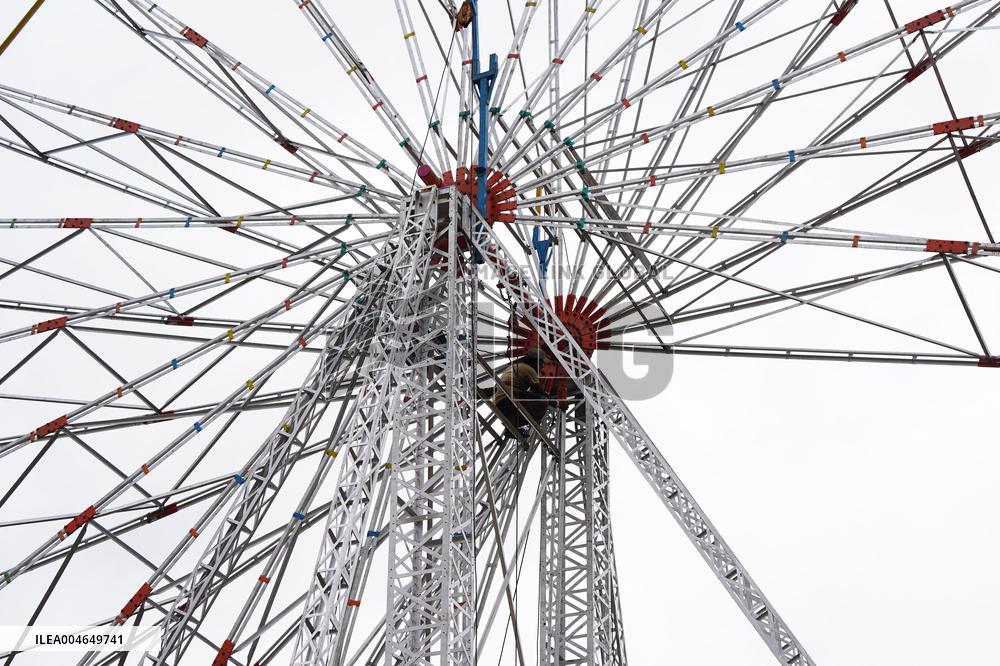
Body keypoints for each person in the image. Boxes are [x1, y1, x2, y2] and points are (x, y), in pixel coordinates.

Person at [493, 349, 552, 438]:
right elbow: (537, 390)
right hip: (510, 398)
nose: (542, 366)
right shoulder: (529, 370)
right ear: (536, 362)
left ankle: (511, 425)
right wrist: (554, 402)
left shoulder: (513, 367)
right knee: (542, 402)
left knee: (528, 401)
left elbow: (494, 389)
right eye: (542, 363)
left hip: (498, 403)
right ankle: (512, 425)